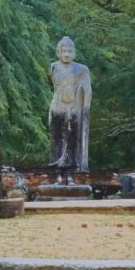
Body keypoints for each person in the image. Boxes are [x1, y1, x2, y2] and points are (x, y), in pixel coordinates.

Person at [48, 37, 92, 184]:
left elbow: (86, 90)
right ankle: (57, 174)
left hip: (73, 108)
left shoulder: (81, 69)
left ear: (74, 53)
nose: (66, 54)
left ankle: (70, 173)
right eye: (64, 51)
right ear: (58, 52)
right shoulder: (54, 67)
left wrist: (85, 107)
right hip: (57, 107)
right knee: (57, 140)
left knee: (71, 141)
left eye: (69, 51)